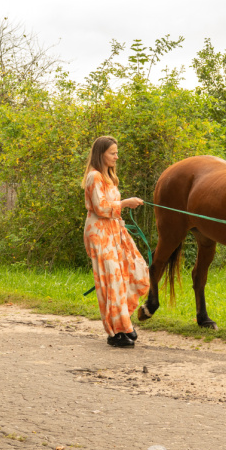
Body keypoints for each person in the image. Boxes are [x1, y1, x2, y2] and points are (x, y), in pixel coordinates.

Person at [83, 136, 150, 348]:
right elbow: (101, 207)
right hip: (99, 233)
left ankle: (123, 322)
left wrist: (121, 227)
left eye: (116, 152)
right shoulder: (94, 177)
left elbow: (110, 208)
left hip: (114, 230)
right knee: (110, 282)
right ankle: (115, 331)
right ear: (101, 153)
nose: (116, 156)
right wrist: (125, 203)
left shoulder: (110, 177)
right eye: (112, 152)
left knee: (131, 271)